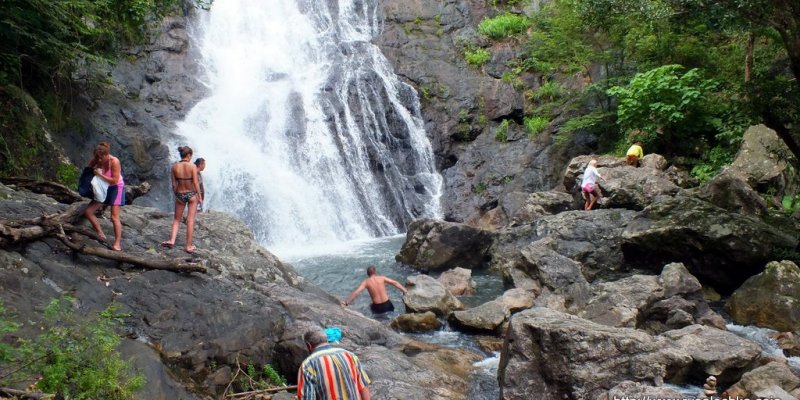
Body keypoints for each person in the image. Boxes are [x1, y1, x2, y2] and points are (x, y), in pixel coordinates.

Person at [297, 326, 371, 400]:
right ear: (326, 339)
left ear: (308, 345)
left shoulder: (308, 365)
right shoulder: (350, 355)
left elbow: (307, 397)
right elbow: (363, 386)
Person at [83, 142, 125, 251]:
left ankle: (117, 243)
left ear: (107, 155)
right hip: (102, 187)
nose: (99, 161)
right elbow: (88, 170)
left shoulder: (114, 161)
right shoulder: (96, 159)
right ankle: (100, 234)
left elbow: (115, 180)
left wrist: (100, 175)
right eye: (97, 158)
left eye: (101, 158)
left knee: (114, 217)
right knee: (88, 212)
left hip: (116, 188)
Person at [161, 146, 202, 253]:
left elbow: (174, 184)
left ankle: (172, 240)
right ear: (189, 155)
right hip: (191, 194)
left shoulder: (174, 167)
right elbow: (195, 183)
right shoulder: (192, 166)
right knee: (190, 220)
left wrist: (177, 195)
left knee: (176, 219)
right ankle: (188, 246)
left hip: (180, 194)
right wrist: (200, 197)